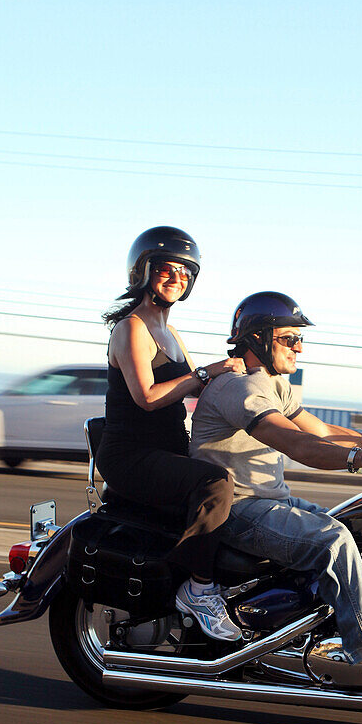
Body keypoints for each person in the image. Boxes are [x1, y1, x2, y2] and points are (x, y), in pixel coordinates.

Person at [188, 291, 362, 708]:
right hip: (238, 509)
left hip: (269, 500)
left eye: (300, 338)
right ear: (258, 338)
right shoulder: (236, 387)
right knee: (332, 541)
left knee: (356, 530)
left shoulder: (273, 384)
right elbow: (297, 444)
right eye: (290, 338)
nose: (300, 347)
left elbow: (320, 430)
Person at [97, 226, 245, 641]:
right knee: (215, 484)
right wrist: (205, 372)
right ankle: (199, 590)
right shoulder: (131, 329)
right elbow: (147, 397)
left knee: (237, 482)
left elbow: (197, 388)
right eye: (166, 268)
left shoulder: (170, 332)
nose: (176, 278)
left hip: (166, 448)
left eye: (185, 272)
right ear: (142, 272)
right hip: (132, 454)